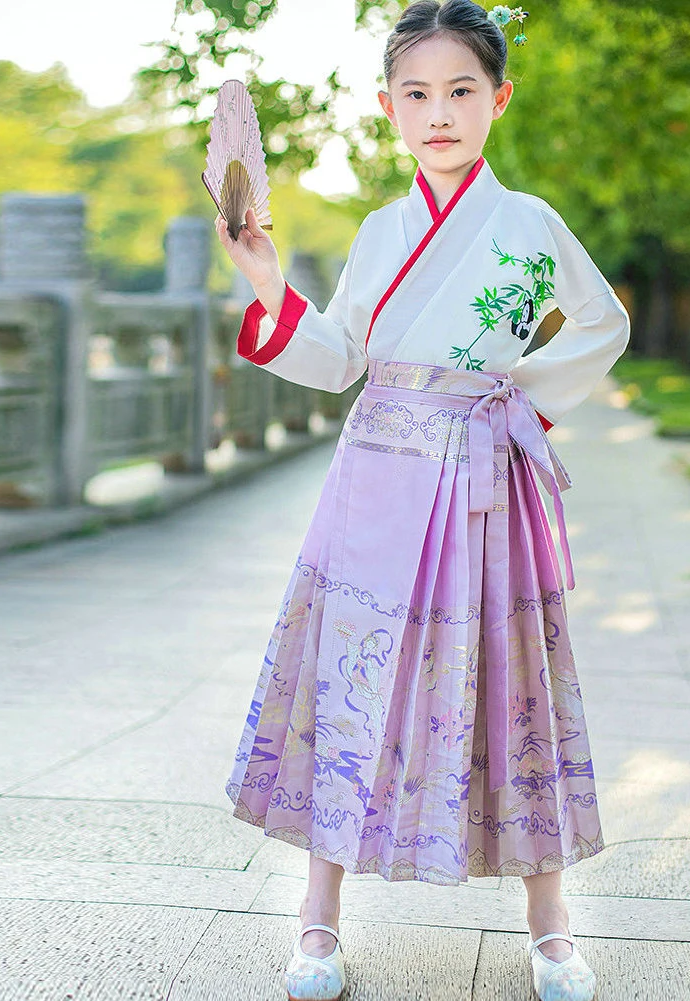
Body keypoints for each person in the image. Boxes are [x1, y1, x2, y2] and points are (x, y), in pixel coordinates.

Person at [216, 2, 630, 999]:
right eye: (416, 94)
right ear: (386, 107)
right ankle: (316, 922)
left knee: (506, 672)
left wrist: (512, 402)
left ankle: (550, 925)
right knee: (346, 671)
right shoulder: (380, 228)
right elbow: (342, 357)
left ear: (497, 98)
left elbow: (601, 322)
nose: (437, 112)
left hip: (484, 471)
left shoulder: (529, 223)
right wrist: (268, 284)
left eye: (458, 91)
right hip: (378, 473)